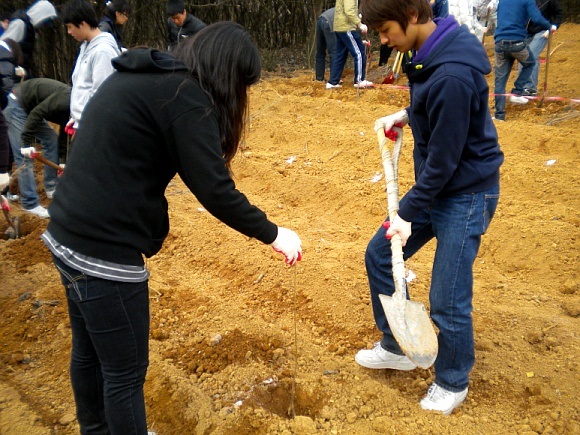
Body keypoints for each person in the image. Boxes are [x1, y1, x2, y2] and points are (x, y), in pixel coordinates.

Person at [42, 22, 302, 433]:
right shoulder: (185, 97)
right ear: (226, 73)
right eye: (241, 84)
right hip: (103, 250)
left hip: (66, 232)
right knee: (125, 374)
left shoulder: (148, 77)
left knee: (89, 354)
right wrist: (275, 233)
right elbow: (215, 189)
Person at [357, 0, 504, 416]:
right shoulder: (429, 50)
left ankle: (453, 380)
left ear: (412, 16)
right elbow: (437, 108)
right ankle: (397, 346)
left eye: (386, 30)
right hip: (439, 186)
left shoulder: (452, 74)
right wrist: (408, 114)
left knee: (447, 298)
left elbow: (443, 161)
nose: (384, 40)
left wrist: (406, 214)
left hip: (466, 194)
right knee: (379, 255)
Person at [62, 0, 120, 132]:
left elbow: (101, 96)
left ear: (83, 24)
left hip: (94, 127)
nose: (69, 32)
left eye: (70, 27)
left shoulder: (103, 51)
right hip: (82, 124)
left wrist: (89, 126)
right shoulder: (86, 46)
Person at [492, 0, 553, 121]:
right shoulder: (527, 0)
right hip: (517, 43)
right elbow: (537, 18)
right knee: (530, 63)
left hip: (500, 43)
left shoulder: (502, 1)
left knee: (500, 81)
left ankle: (499, 115)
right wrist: (550, 26)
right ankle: (517, 91)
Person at [518, 0, 563, 96]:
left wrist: (554, 26)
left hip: (543, 31)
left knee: (531, 55)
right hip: (526, 32)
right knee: (521, 55)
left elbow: (559, 13)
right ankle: (522, 86)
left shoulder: (550, 1)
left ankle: (530, 88)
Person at [0, 1, 57, 77]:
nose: (43, 25)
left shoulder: (29, 28)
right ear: (40, 16)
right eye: (44, 21)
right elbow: (3, 47)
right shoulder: (20, 24)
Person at [326, 0, 373, 89]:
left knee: (340, 56)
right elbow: (349, 11)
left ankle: (333, 82)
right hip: (347, 27)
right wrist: (360, 24)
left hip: (339, 27)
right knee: (359, 53)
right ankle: (359, 80)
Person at [315, 7, 336, 82]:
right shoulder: (351, 13)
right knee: (334, 53)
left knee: (320, 51)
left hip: (320, 20)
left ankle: (319, 78)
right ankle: (334, 79)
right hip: (329, 22)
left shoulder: (341, 7)